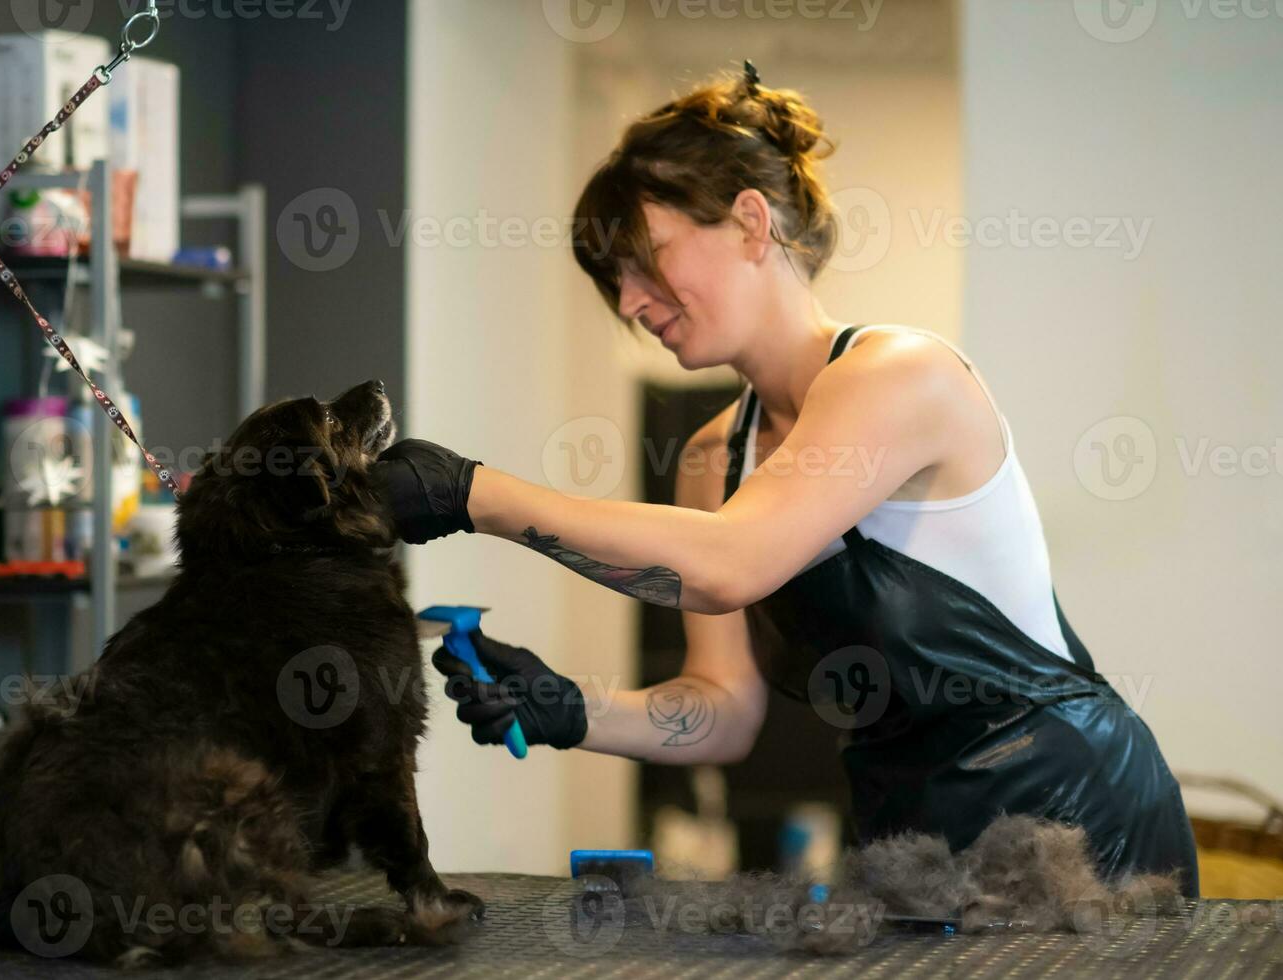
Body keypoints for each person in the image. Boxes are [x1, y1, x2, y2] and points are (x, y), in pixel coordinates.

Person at [372, 62, 1199, 894]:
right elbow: (723, 712)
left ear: (751, 223)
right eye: (611, 282)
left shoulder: (903, 375)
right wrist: (569, 709)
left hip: (1075, 821)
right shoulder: (711, 459)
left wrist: (473, 493)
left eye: (645, 261)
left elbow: (732, 562)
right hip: (908, 833)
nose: (627, 304)